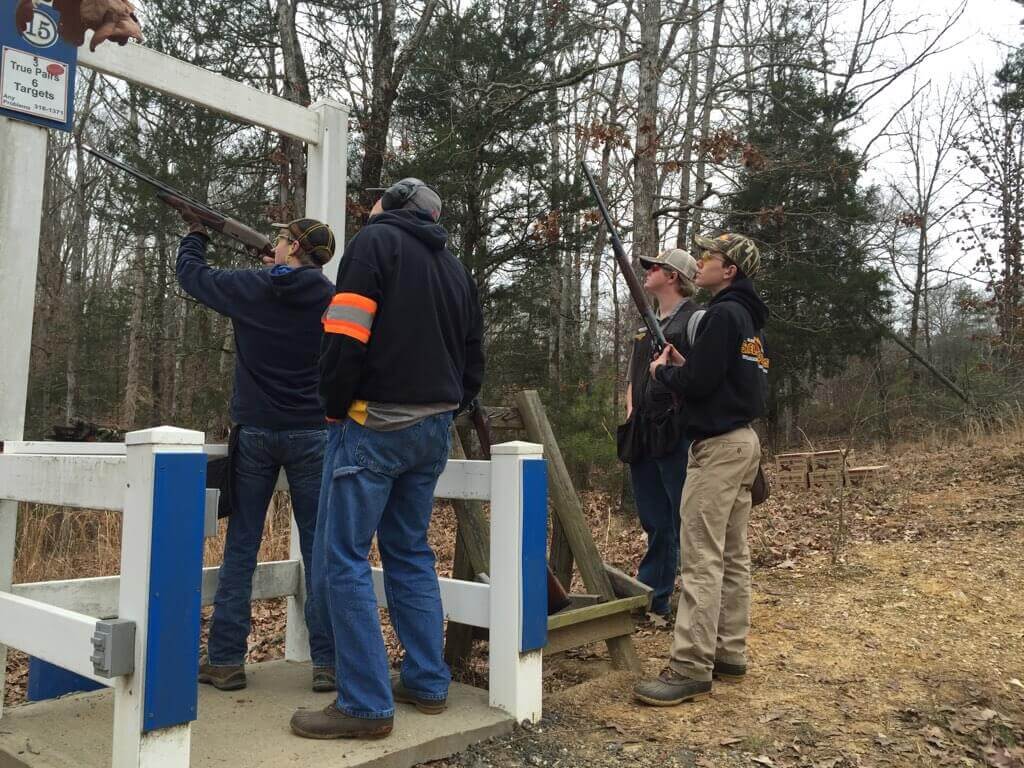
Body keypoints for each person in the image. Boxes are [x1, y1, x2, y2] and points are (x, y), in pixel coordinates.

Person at [290, 179, 484, 740]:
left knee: (342, 558)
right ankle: (427, 681)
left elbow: (345, 335)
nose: (368, 209)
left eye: (376, 202)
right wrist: (454, 405)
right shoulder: (455, 267)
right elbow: (475, 354)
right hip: (432, 429)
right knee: (409, 550)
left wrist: (332, 404)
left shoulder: (374, 245)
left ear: (392, 207)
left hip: (373, 424)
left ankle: (366, 705)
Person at [176, 215, 338, 693]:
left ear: (294, 250)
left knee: (242, 546)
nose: (278, 243)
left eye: (284, 239)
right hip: (312, 432)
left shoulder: (255, 286)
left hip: (255, 432)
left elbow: (193, 276)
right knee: (319, 549)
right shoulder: (330, 297)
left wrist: (195, 233)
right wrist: (279, 270)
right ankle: (327, 662)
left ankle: (226, 660)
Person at [633, 232, 769, 707]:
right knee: (732, 554)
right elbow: (722, 379)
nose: (702, 262)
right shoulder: (747, 320)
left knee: (701, 557)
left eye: (709, 257)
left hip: (717, 448)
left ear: (728, 270)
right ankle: (729, 652)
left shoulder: (722, 315)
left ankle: (690, 666)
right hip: (744, 442)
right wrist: (688, 365)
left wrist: (662, 372)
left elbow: (697, 382)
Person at [619, 248, 702, 620]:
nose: (648, 271)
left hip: (675, 430)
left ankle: (698, 599)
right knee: (654, 518)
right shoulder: (645, 324)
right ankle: (654, 596)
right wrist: (631, 409)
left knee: (682, 518)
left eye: (655, 266)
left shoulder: (694, 321)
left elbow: (700, 377)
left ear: (673, 277)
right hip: (643, 430)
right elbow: (633, 377)